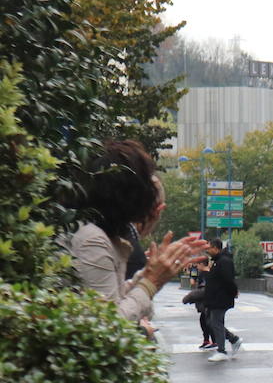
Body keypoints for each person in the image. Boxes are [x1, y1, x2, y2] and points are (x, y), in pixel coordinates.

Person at [62, 140, 207, 325]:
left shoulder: (98, 233)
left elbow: (113, 299)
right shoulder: (91, 240)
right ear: (128, 193)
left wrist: (149, 274)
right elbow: (108, 326)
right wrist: (151, 281)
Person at [203, 238, 241, 363]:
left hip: (220, 298)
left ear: (215, 248)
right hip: (216, 297)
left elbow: (228, 280)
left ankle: (222, 350)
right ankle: (233, 339)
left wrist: (233, 292)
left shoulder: (223, 262)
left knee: (215, 322)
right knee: (211, 322)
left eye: (209, 248)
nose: (208, 250)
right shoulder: (217, 261)